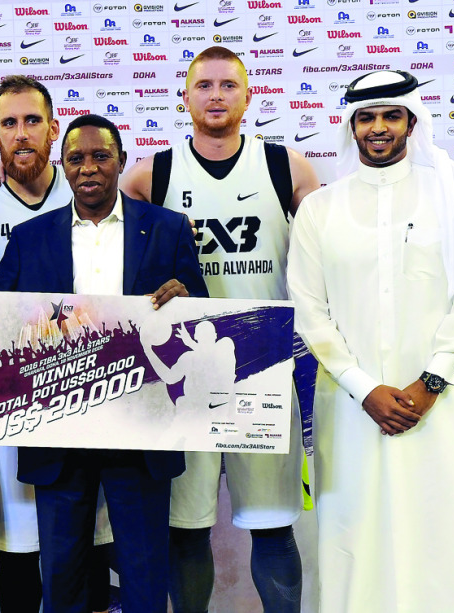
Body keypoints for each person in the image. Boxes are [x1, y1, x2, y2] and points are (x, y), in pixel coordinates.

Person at [287, 70, 454, 613]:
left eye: (391, 115)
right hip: (352, 407)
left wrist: (432, 381)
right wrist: (364, 388)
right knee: (356, 539)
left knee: (451, 536)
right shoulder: (321, 209)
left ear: (413, 121)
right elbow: (308, 311)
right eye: (366, 118)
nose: (379, 128)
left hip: (444, 402)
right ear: (352, 127)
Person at [116, 46, 320, 613]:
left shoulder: (288, 167)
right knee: (186, 528)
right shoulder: (151, 174)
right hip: (187, 376)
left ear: (248, 95)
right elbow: (106, 243)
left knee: (273, 524)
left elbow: (330, 258)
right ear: (185, 97)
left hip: (266, 366)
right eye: (203, 85)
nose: (215, 95)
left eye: (228, 85)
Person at [0, 114, 207, 613]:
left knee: (145, 570)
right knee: (61, 572)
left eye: (100, 156)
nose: (88, 168)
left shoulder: (167, 229)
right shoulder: (29, 238)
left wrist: (188, 298)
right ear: (62, 166)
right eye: (76, 158)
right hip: (59, 426)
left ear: (121, 161)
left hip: (141, 427)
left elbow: (202, 313)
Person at [0, 75, 114, 613]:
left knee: (91, 545)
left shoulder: (90, 185)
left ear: (54, 129)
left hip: (93, 395)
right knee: (19, 544)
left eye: (33, 122)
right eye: (9, 123)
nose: (21, 134)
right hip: (19, 402)